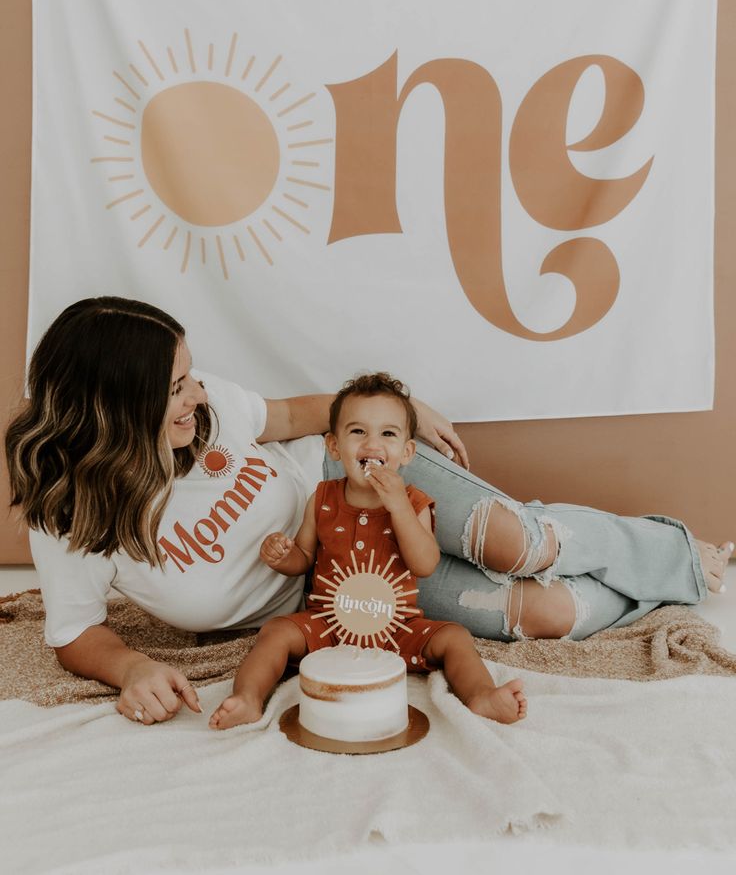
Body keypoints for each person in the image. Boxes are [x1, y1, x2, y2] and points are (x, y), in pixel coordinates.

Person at [5, 296, 731, 728]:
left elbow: (294, 414)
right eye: (175, 388)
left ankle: (679, 555)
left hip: (350, 474)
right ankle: (654, 580)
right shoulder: (70, 517)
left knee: (518, 542)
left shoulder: (205, 408)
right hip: (336, 595)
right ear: (116, 410)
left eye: (192, 376)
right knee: (542, 615)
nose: (197, 396)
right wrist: (130, 667)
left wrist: (397, 415)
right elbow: (74, 632)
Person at [209, 373, 527, 730]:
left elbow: (425, 564)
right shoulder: (323, 498)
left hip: (397, 627)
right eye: (358, 432)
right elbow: (304, 558)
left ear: (407, 452)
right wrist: (284, 557)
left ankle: (482, 695)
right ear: (334, 446)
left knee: (454, 637)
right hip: (328, 626)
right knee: (276, 632)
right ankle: (248, 698)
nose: (372, 444)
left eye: (388, 434)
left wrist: (399, 508)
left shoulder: (413, 503)